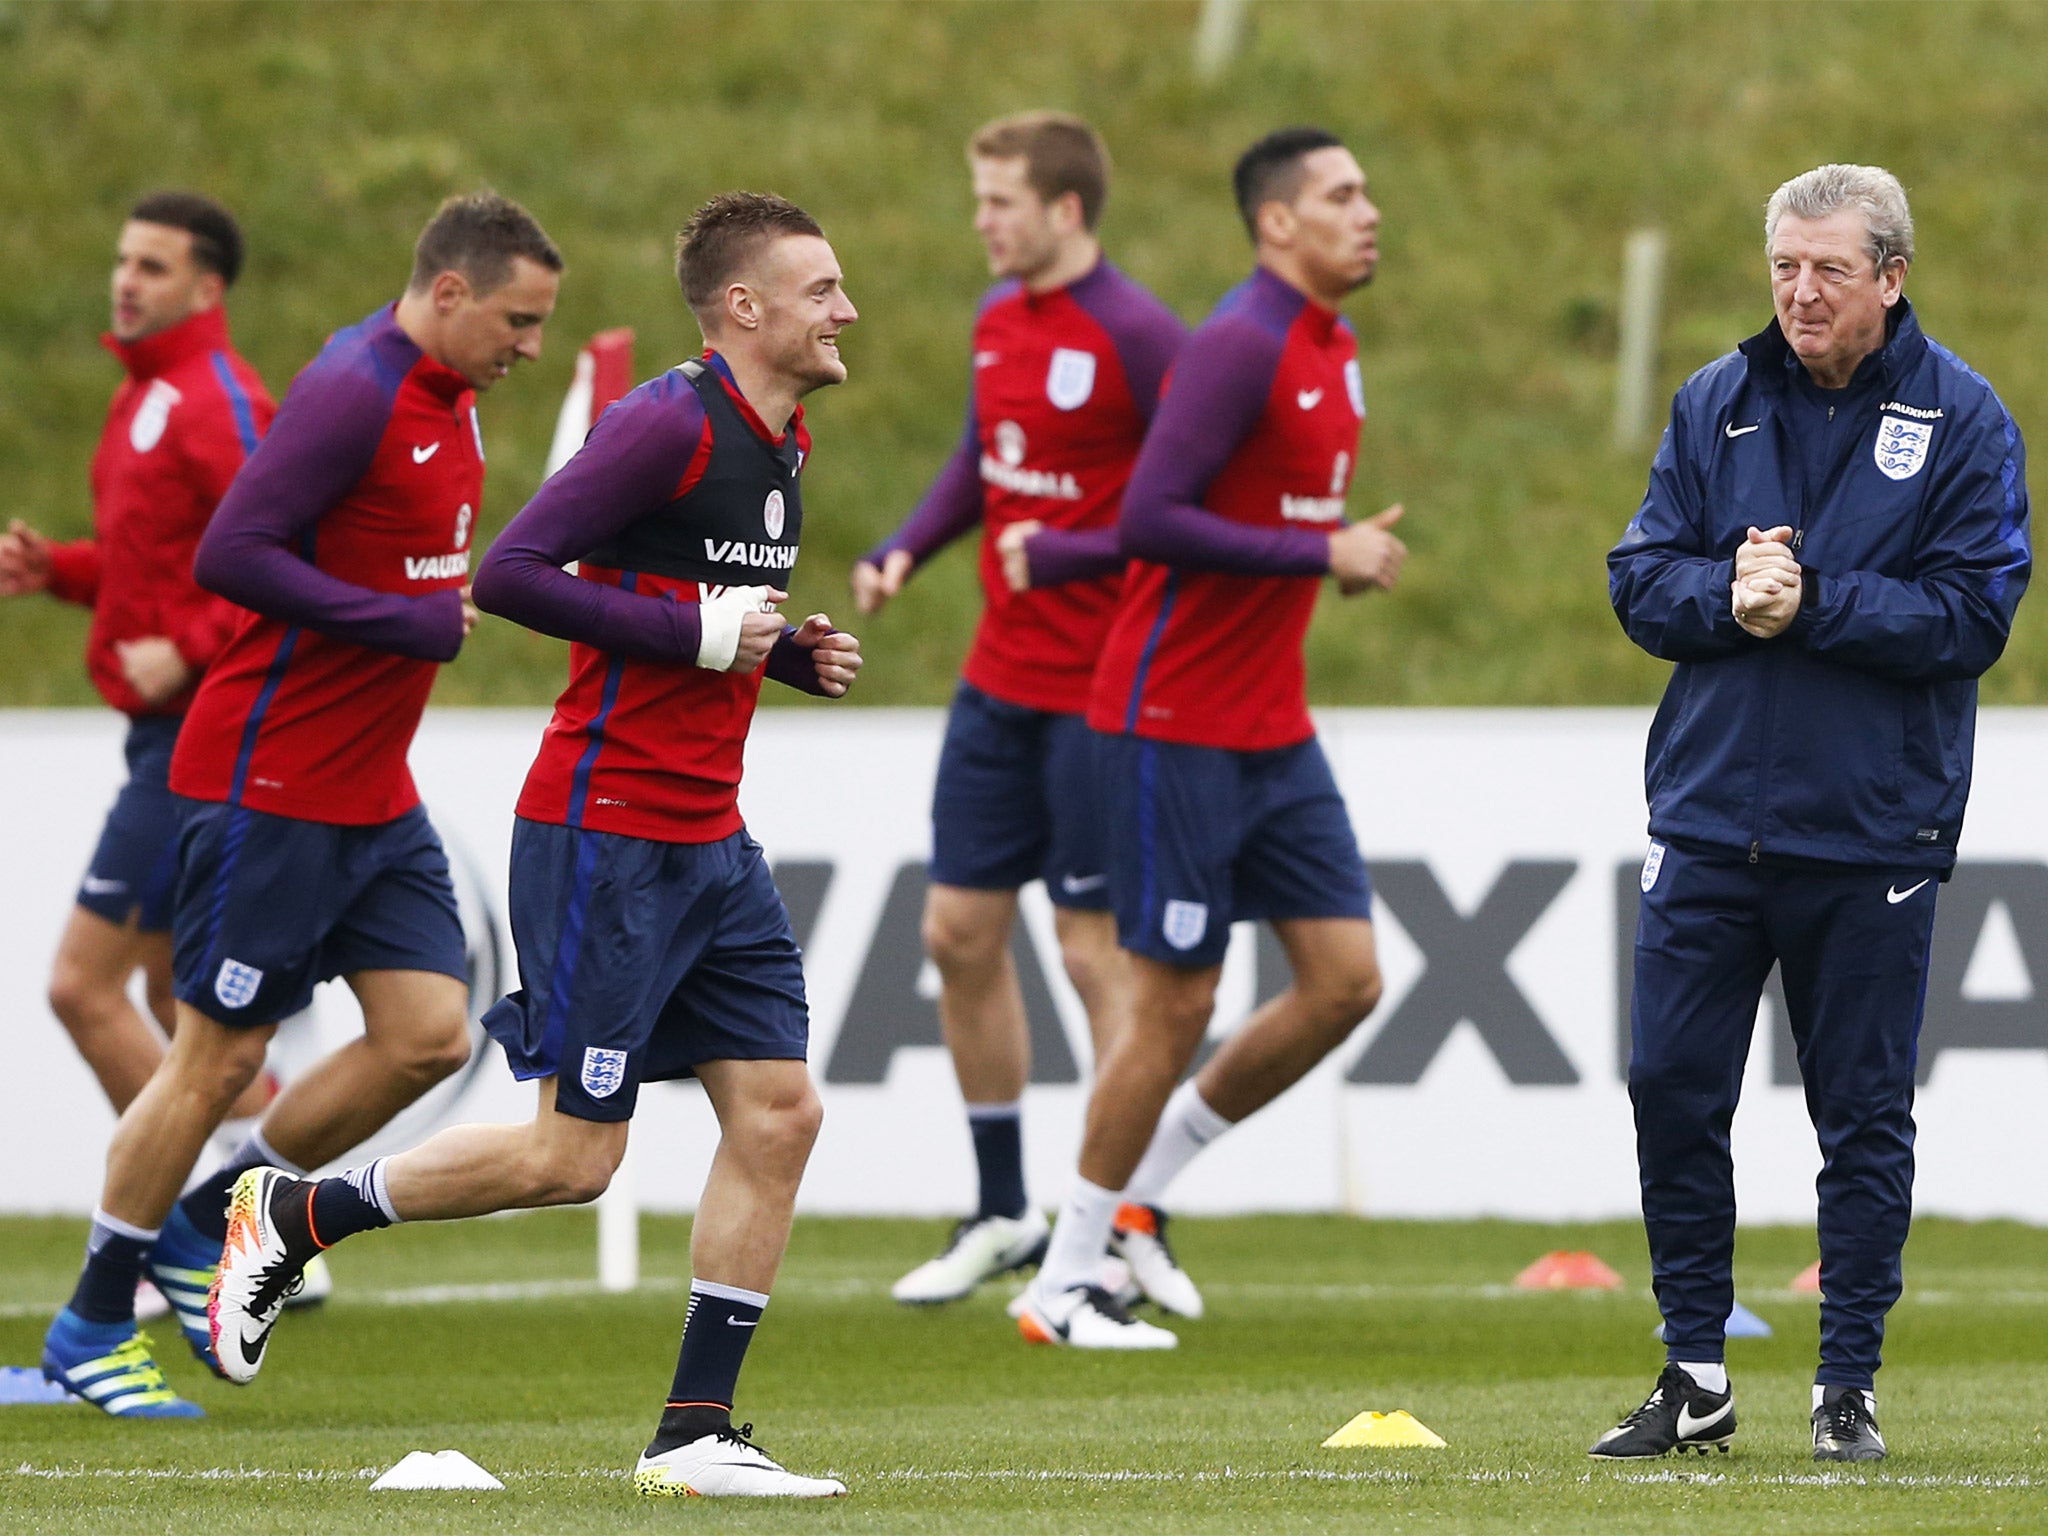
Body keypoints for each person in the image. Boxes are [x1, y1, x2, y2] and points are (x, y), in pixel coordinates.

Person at [210, 192, 861, 1500]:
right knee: (574, 1159)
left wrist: (777, 652)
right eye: (822, 290)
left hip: (706, 837)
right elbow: (512, 576)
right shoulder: (668, 421)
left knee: (782, 1112)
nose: (846, 311)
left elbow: (678, 605)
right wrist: (701, 635)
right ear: (746, 309)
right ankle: (291, 1210)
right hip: (606, 832)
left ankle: (695, 1434)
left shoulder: (778, 442)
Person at [39, 190, 563, 1418]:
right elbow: (233, 554)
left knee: (431, 1033)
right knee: (216, 1059)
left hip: (371, 789)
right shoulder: (354, 390)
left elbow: (397, 563)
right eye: (518, 319)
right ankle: (91, 1326)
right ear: (448, 292)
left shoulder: (451, 398)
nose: (529, 345)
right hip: (267, 779)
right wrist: (409, 621)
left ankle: (201, 1223)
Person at [1596, 164, 2029, 1463]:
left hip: (1873, 833)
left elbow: (1973, 615)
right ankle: (1694, 1369)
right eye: (1784, 267)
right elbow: (1637, 577)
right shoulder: (1714, 402)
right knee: (1670, 1087)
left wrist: (1817, 602)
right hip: (1710, 819)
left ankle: (1848, 1384)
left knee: (1861, 1113)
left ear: (1891, 278)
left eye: (1828, 270)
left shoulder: (1964, 421)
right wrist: (1731, 595)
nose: (1800, 293)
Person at [1014, 127, 1407, 1349]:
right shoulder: (1238, 342)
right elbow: (1151, 516)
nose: (1367, 210)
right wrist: (1318, 549)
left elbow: (1256, 519)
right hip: (1170, 721)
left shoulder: (1332, 351)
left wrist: (1323, 559)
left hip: (1267, 727)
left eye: (1364, 191)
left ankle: (1135, 1198)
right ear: (1276, 224)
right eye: (1340, 195)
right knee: (1174, 1004)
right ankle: (1061, 1279)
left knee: (1344, 981)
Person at [850, 112, 1191, 1311]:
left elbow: (1193, 502)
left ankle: (1114, 1220)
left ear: (1064, 210)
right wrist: (905, 547)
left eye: (999, 201)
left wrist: (1080, 552)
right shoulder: (999, 320)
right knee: (954, 933)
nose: (982, 220)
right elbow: (979, 465)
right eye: (978, 197)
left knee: (1094, 956)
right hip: (997, 680)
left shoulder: (1145, 337)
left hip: (1105, 694)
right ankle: (1001, 1210)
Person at [0, 193, 277, 1122]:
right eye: (124, 261)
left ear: (208, 286)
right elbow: (158, 565)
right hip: (159, 735)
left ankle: (184, 1228)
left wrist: (195, 649)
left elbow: (283, 557)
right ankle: (265, 1218)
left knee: (82, 988)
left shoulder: (222, 401)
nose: (125, 281)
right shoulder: (143, 394)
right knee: (178, 1005)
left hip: (201, 740)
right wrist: (62, 572)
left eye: (152, 267)